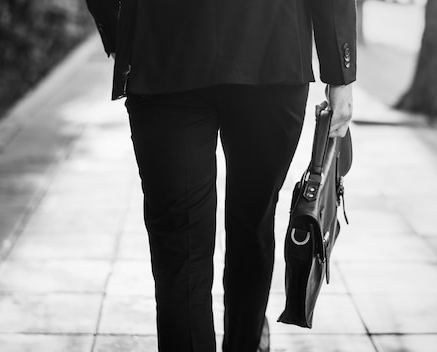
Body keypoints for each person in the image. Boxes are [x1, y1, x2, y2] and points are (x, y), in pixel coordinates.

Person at [86, 0, 356, 351]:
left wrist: (121, 29)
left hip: (192, 49)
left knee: (229, 231)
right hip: (251, 47)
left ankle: (246, 340)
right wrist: (340, 72)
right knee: (229, 232)